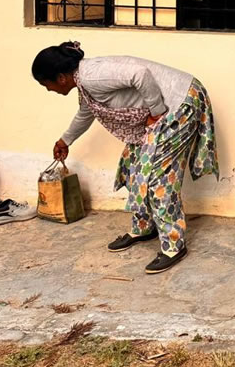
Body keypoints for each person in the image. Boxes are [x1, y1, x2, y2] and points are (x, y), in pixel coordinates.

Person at [34, 42, 219, 273]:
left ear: (61, 78)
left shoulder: (91, 76)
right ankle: (144, 227)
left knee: (159, 178)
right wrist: (65, 140)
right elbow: (86, 112)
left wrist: (157, 111)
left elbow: (139, 74)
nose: (48, 90)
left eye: (46, 84)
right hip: (169, 105)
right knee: (133, 165)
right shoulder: (85, 82)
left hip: (180, 102)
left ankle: (174, 245)